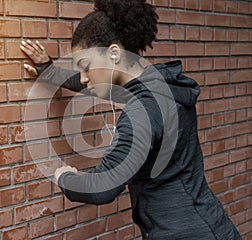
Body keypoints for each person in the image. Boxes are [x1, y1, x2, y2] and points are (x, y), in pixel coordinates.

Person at [20, 0, 241, 239]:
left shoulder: (143, 111)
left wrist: (65, 177)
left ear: (114, 54)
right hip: (205, 222)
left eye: (86, 66)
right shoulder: (160, 85)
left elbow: (103, 187)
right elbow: (95, 84)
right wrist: (49, 70)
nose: (83, 78)